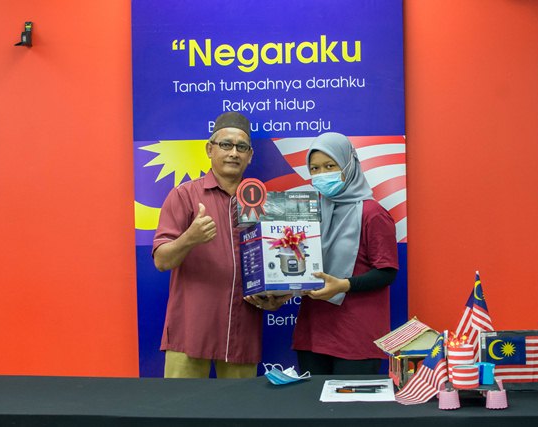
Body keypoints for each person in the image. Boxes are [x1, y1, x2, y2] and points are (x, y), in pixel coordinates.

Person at [153, 112, 287, 379]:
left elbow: (277, 264)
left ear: (250, 156)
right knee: (181, 405)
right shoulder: (184, 195)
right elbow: (162, 261)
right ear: (209, 149)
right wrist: (190, 238)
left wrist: (274, 297)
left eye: (241, 147)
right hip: (191, 332)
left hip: (242, 331)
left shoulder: (264, 202)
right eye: (226, 145)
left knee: (239, 406)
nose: (233, 153)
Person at [292, 132, 399, 375]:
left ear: (349, 165)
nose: (322, 174)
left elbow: (387, 272)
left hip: (355, 335)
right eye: (315, 168)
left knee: (350, 401)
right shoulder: (310, 213)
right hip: (314, 332)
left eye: (330, 166)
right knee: (311, 399)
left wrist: (344, 285)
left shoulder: (372, 214)